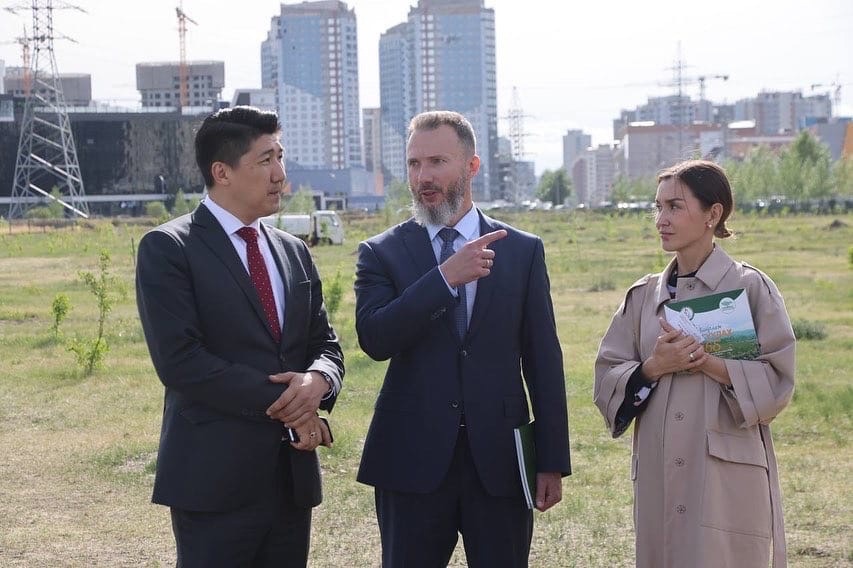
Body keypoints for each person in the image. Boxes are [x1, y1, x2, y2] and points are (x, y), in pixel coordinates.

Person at [354, 110, 571, 567]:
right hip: (410, 460)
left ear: (472, 166)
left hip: (498, 460)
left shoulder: (522, 250)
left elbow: (543, 360)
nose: (423, 177)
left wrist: (551, 458)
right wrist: (444, 278)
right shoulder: (381, 252)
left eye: (437, 162)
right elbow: (375, 339)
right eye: (414, 164)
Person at [136, 106, 344, 568]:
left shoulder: (293, 250)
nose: (280, 175)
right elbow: (181, 361)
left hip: (291, 480)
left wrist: (319, 381)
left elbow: (325, 346)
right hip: (214, 480)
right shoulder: (170, 248)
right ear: (222, 172)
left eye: (281, 157)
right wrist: (292, 403)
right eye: (266, 160)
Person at [594, 159, 795, 568]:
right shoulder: (642, 297)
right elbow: (607, 378)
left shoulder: (749, 288)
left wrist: (707, 363)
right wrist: (654, 366)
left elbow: (777, 381)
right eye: (658, 207)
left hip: (725, 474)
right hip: (658, 471)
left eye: (675, 207)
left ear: (712, 214)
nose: (661, 220)